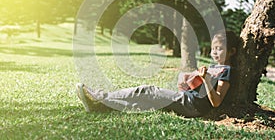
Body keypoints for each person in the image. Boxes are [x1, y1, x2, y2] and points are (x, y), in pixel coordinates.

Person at [76, 30, 238, 118]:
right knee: (143, 102)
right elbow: (193, 87)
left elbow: (216, 101)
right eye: (213, 48)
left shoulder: (227, 71)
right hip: (186, 99)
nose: (215, 52)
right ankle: (101, 105)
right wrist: (186, 81)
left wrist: (207, 80)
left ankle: (100, 97)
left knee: (147, 90)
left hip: (192, 106)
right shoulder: (211, 67)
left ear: (232, 51)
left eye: (220, 49)